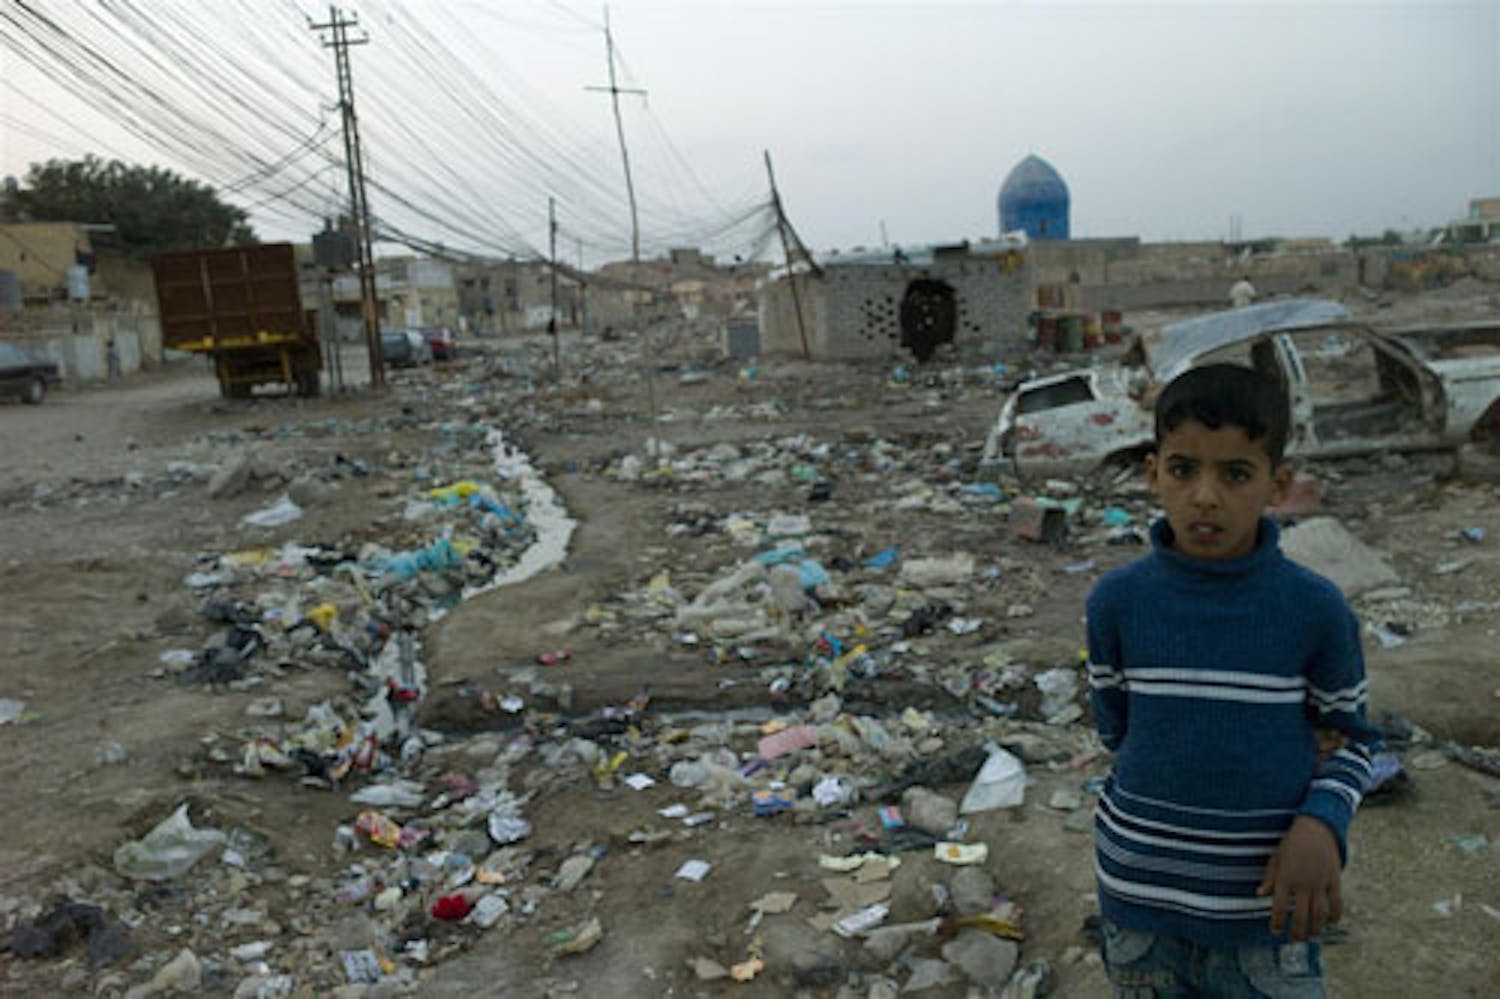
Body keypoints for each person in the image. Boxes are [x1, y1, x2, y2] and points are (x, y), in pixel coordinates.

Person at [1086, 364, 1381, 997]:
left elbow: (1354, 739)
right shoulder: (1116, 603)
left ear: (1277, 486)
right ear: (1152, 473)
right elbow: (1117, 727)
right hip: (1140, 911)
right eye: (1184, 469)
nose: (1205, 497)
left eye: (1236, 474)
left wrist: (1321, 823)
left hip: (1263, 920)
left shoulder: (1315, 610)